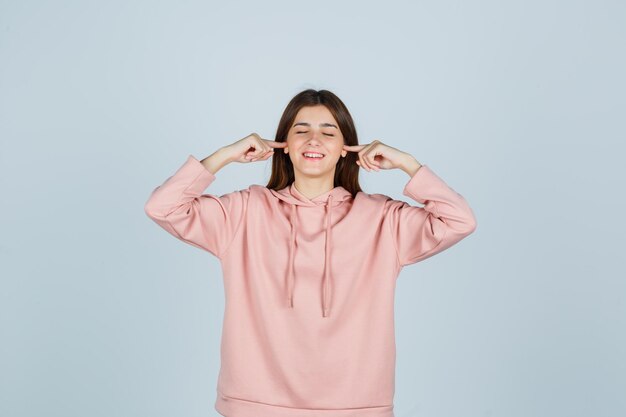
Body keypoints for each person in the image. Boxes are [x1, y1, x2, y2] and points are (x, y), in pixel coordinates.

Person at [144, 89, 477, 417]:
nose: (314, 140)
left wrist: (408, 164)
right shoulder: (244, 212)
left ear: (347, 148)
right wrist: (224, 155)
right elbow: (163, 208)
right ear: (284, 145)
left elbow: (459, 220)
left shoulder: (383, 219)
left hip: (356, 406)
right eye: (301, 130)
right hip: (254, 404)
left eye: (328, 132)